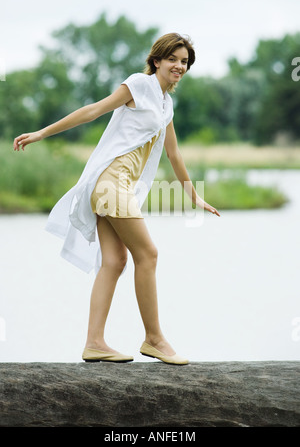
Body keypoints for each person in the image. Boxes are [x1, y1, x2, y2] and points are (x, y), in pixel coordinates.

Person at [13, 33, 220, 365]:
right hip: (110, 183)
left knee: (115, 261)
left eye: (184, 62)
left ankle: (94, 343)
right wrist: (41, 133)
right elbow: (93, 111)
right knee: (148, 254)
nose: (179, 66)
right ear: (156, 61)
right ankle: (154, 339)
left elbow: (174, 153)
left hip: (118, 187)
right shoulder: (139, 85)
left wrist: (193, 196)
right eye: (173, 59)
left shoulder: (165, 104)